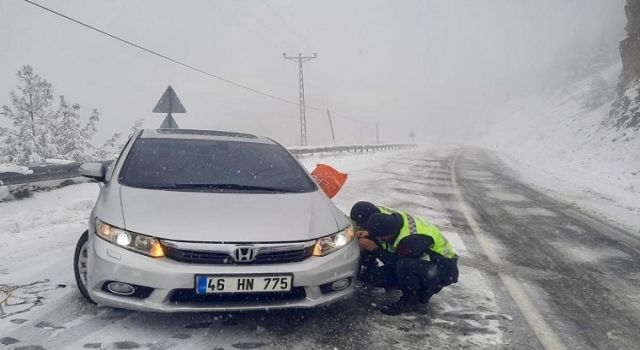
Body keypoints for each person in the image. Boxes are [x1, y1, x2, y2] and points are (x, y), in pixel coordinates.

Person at [350, 201, 459, 315]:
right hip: (422, 263)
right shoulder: (389, 220)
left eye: (380, 236)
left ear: (386, 235)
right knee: (372, 276)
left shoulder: (410, 241)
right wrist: (368, 232)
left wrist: (374, 248)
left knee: (404, 266)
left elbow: (395, 263)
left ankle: (410, 302)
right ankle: (414, 289)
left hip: (443, 269)